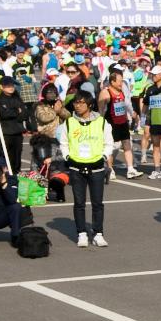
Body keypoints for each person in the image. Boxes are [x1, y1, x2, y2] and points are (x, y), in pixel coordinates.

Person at [58, 90, 114, 248]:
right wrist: (68, 157)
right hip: (76, 167)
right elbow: (64, 143)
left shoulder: (101, 122)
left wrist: (103, 157)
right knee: (79, 202)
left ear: (89, 104)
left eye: (81, 102)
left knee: (97, 203)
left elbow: (109, 142)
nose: (77, 105)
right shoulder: (69, 122)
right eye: (76, 102)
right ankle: (81, 233)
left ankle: (98, 233)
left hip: (96, 167)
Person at [98, 66, 143, 178]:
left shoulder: (122, 90)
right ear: (112, 81)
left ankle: (130, 169)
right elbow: (101, 110)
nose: (121, 83)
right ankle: (110, 169)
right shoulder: (105, 93)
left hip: (123, 122)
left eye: (122, 81)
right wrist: (100, 125)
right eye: (119, 81)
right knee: (111, 147)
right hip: (111, 123)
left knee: (127, 145)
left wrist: (132, 113)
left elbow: (127, 103)